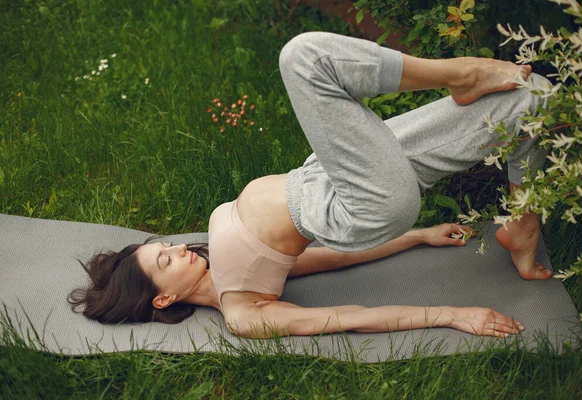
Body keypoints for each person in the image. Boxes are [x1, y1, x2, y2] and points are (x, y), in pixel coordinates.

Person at [69, 31, 554, 340]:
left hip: (336, 172)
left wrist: (416, 238)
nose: (177, 250)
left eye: (165, 247)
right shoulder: (243, 313)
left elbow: (329, 257)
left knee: (529, 98)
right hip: (361, 201)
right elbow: (349, 316)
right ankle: (461, 72)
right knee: (302, 57)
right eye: (165, 262)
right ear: (163, 300)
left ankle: (522, 223)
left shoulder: (233, 268)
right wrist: (452, 315)